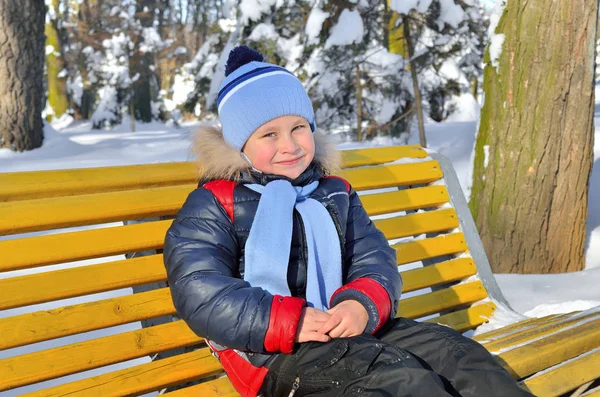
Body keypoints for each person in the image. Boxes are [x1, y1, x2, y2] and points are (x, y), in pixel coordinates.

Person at [163, 46, 534, 397]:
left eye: (298, 128)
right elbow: (200, 290)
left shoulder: (333, 192)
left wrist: (361, 304)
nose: (290, 146)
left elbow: (373, 257)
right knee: (401, 381)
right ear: (239, 143)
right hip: (273, 351)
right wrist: (286, 320)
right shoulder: (215, 203)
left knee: (461, 359)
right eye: (269, 135)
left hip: (351, 327)